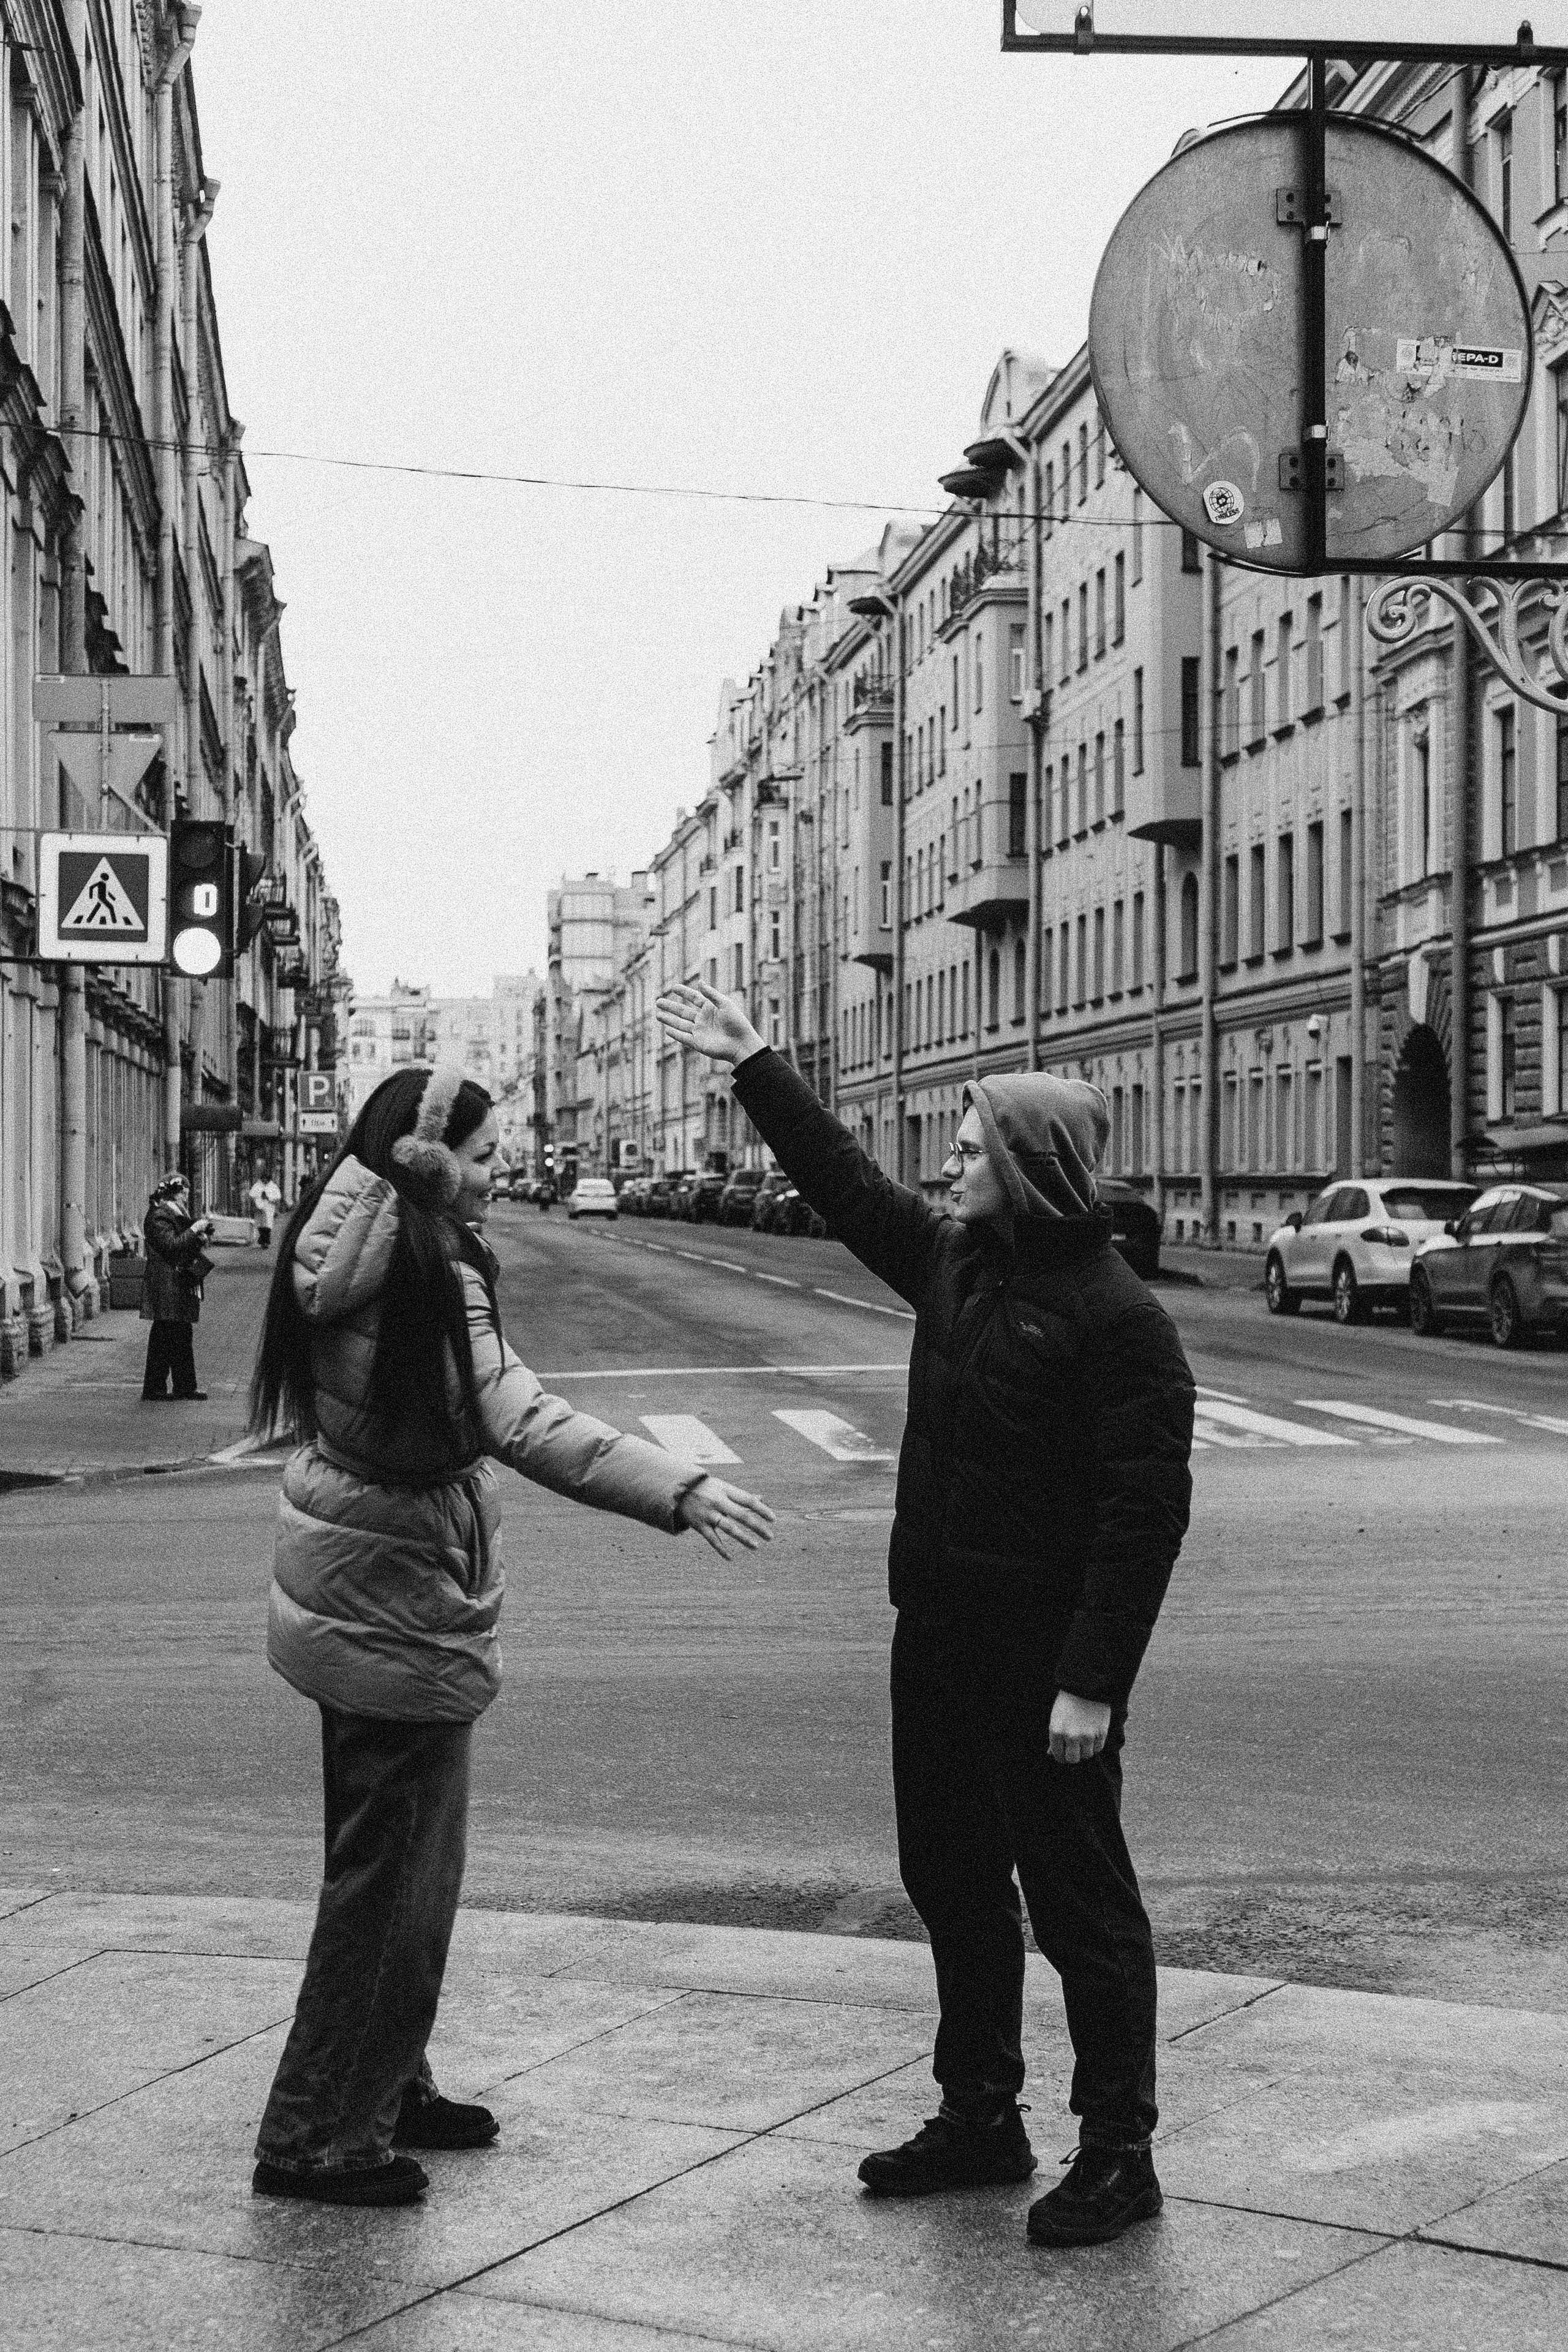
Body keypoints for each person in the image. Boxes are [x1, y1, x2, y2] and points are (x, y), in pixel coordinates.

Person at [657, 981, 1194, 2253]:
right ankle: (980, 2115)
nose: (946, 1169)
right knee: (950, 1878)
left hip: (1044, 1665)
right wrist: (755, 1063)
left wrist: (1091, 1682)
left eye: (967, 1152)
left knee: (1081, 1912)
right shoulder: (955, 1265)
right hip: (938, 1639)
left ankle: (1119, 2154)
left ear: (1029, 1169)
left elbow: (1143, 1520)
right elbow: (847, 1187)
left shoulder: (1120, 1321)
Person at [247, 1063, 774, 2209]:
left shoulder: (347, 1240)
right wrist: (675, 1485)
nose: (499, 1175)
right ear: (428, 1159)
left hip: (355, 1575)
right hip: (396, 1594)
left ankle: (387, 2087)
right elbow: (519, 1415)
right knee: (391, 1884)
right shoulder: (426, 1271)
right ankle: (318, 2138)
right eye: (485, 1156)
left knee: (389, 1867)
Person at [140, 1172, 215, 1402]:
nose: (186, 1198)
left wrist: (199, 1237)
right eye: (184, 1193)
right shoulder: (159, 1215)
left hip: (178, 1281)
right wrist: (194, 1230)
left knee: (181, 1334)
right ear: (174, 1193)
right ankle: (155, 1388)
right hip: (166, 1283)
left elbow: (182, 1243)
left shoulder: (175, 1214)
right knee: (164, 1335)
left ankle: (185, 1387)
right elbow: (171, 1245)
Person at [248, 1173, 281, 1247]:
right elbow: (252, 1196)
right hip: (259, 1208)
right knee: (260, 1224)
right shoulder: (257, 1186)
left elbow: (277, 1197)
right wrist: (255, 1203)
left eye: (266, 1179)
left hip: (269, 1208)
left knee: (268, 1225)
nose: (265, 1181)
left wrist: (268, 1198)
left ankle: (266, 1241)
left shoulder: (273, 1187)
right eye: (263, 1179)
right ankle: (262, 1239)